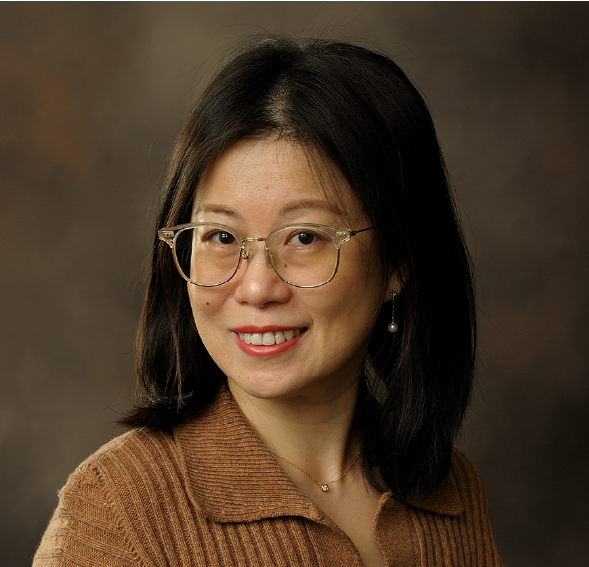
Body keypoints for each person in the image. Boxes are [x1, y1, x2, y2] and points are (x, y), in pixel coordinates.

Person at [33, 37, 503, 566]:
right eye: (221, 237)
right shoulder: (117, 511)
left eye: (304, 237)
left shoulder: (454, 491)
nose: (256, 289)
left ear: (397, 260)